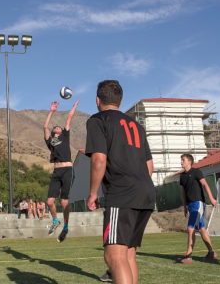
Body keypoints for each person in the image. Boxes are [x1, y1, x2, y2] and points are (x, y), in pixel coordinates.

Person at [86, 80, 155, 284]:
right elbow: (149, 164)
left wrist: (92, 194)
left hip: (122, 194)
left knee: (113, 256)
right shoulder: (136, 125)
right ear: (120, 101)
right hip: (145, 192)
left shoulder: (97, 120)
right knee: (128, 254)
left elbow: (99, 160)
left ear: (98, 100)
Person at [44, 99, 80, 243]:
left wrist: (74, 107)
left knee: (64, 202)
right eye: (56, 127)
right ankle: (55, 221)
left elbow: (69, 118)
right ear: (53, 132)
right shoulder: (50, 141)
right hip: (56, 172)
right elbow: (45, 126)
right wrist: (51, 111)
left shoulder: (65, 136)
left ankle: (65, 227)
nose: (58, 127)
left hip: (68, 170)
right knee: (49, 202)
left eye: (59, 127)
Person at [177, 154, 218, 264]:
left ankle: (188, 256)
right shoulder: (182, 176)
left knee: (190, 229)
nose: (181, 162)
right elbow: (183, 192)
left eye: (183, 160)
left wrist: (212, 199)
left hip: (198, 203)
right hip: (190, 205)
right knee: (201, 229)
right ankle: (212, 252)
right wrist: (185, 206)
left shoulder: (196, 172)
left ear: (189, 161)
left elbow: (205, 185)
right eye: (181, 160)